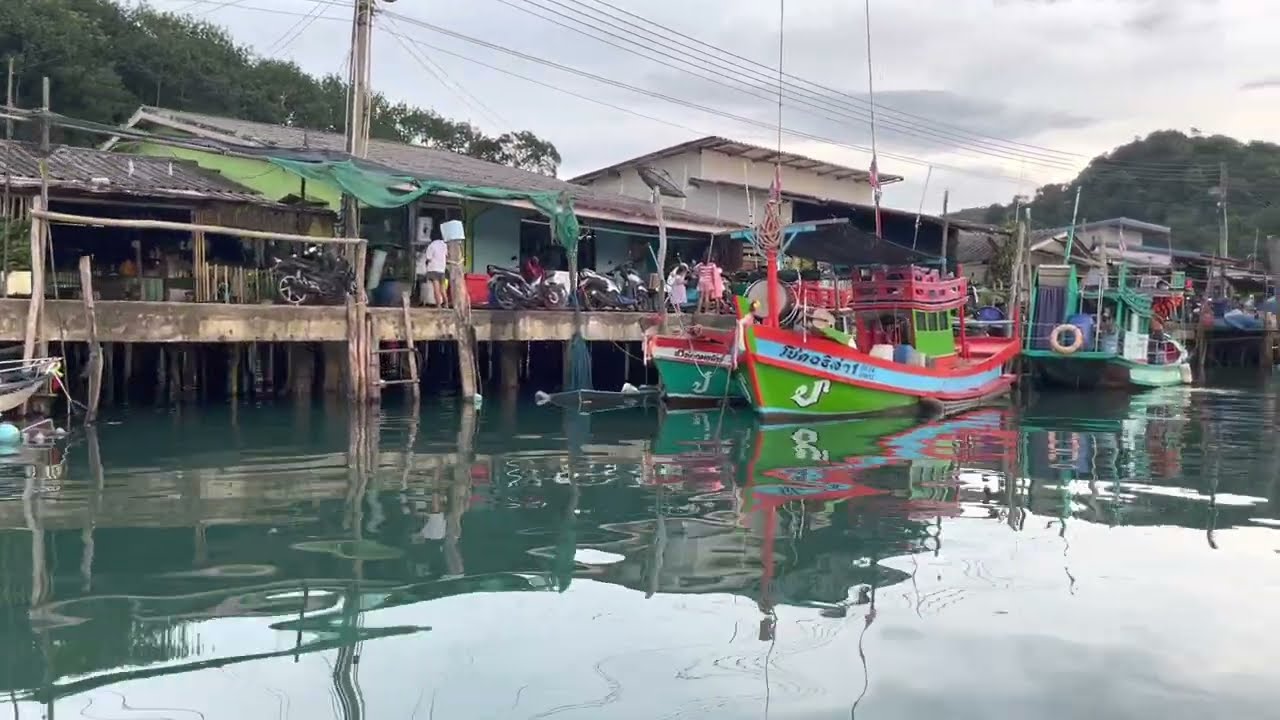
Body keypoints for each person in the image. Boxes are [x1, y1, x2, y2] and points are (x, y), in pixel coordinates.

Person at [417, 235, 449, 308]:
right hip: (442, 269)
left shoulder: (432, 245)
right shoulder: (444, 245)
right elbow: (447, 255)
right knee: (443, 289)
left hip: (434, 269)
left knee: (436, 289)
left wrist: (426, 264)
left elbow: (428, 257)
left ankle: (438, 305)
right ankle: (446, 304)